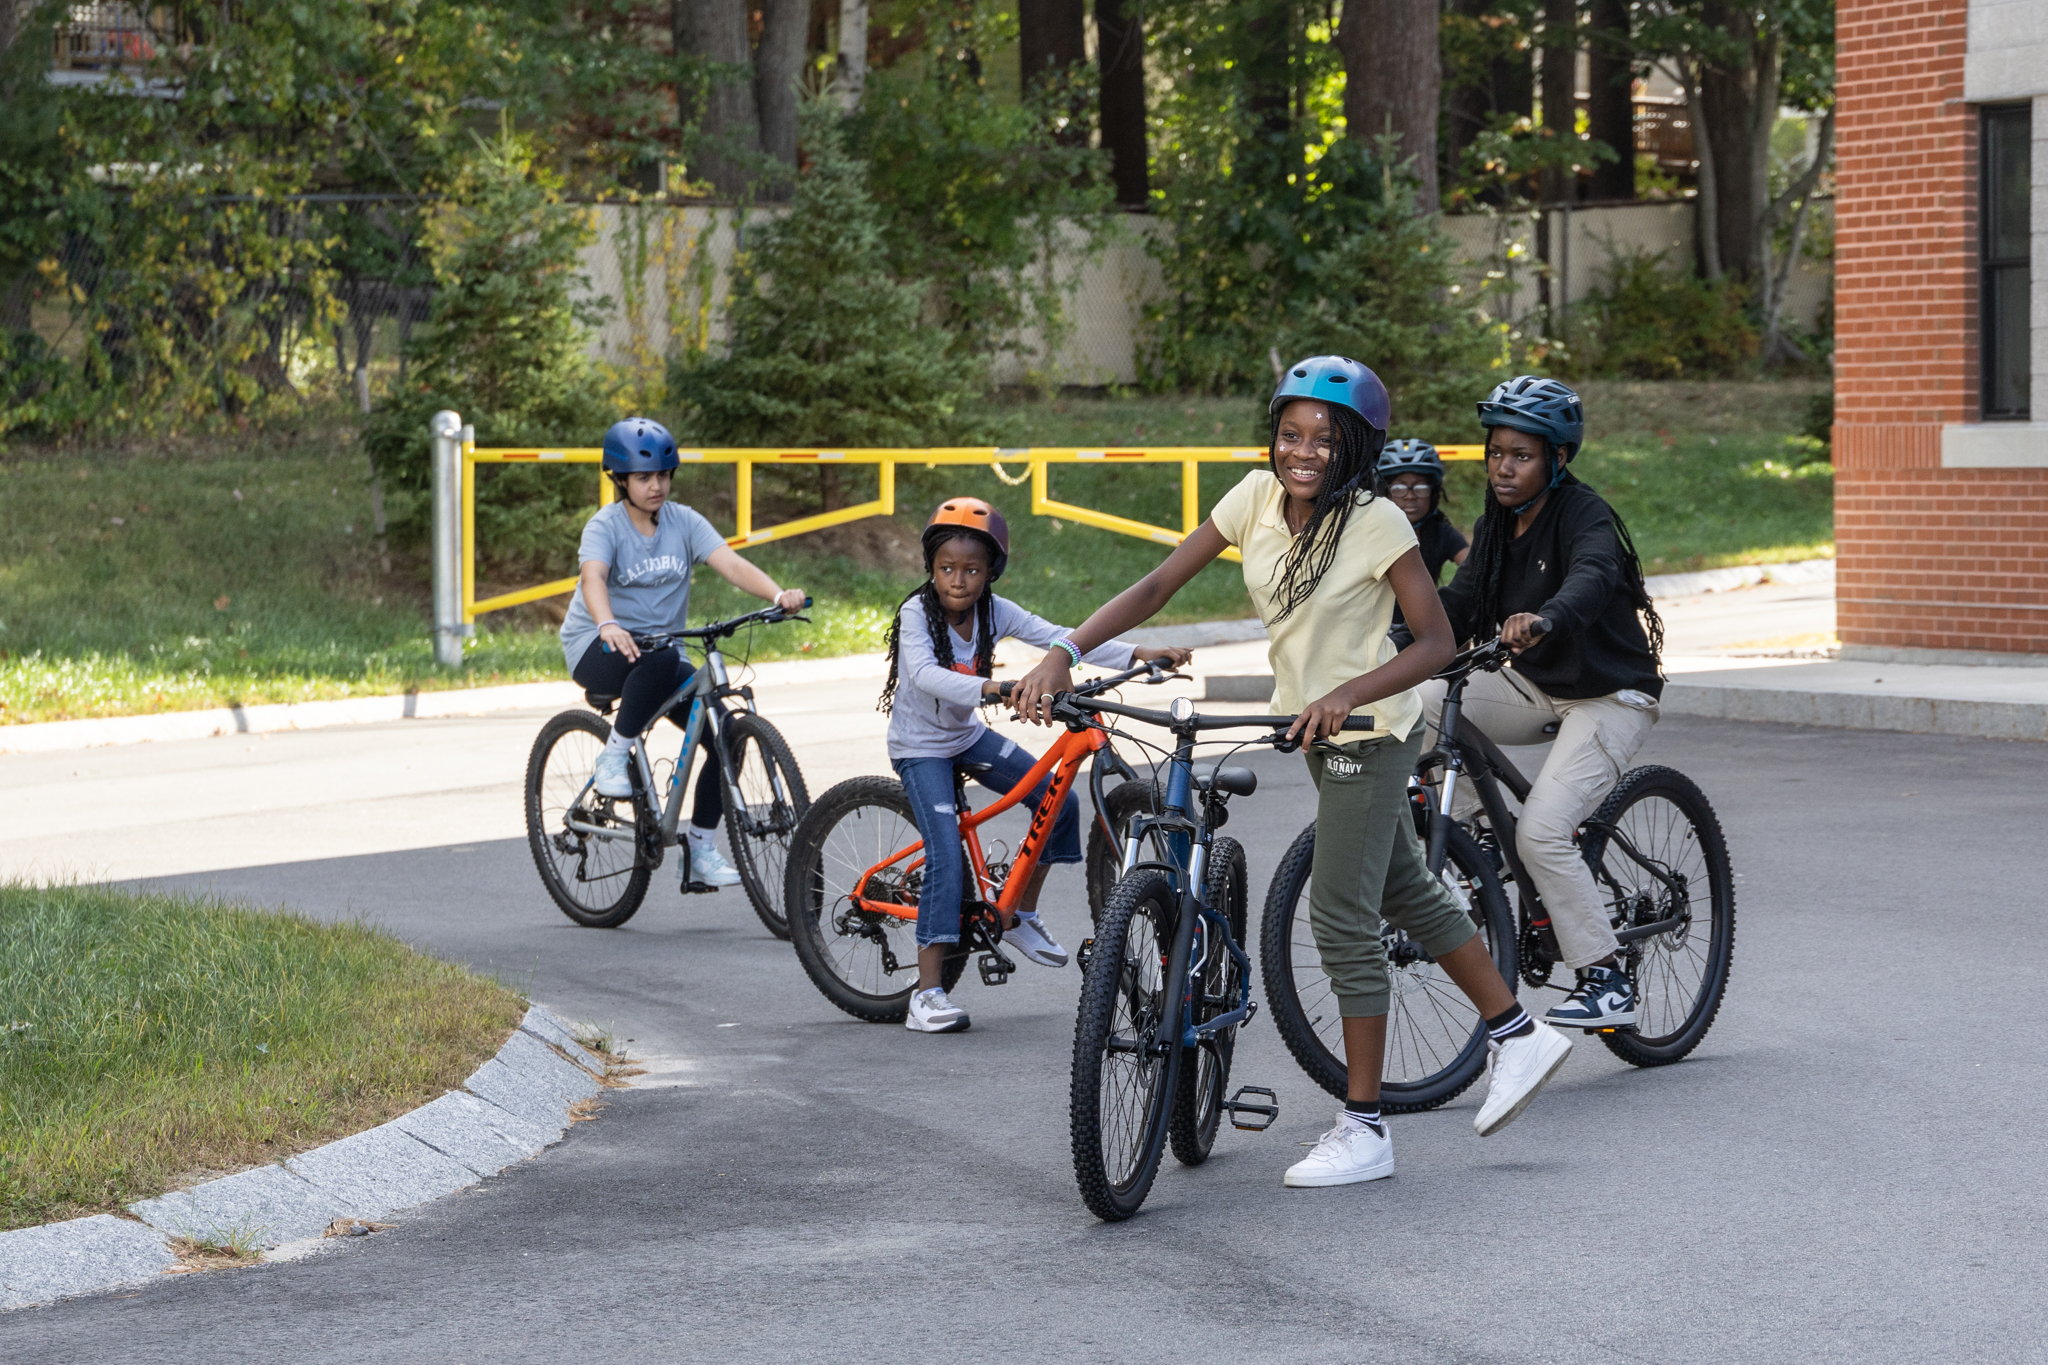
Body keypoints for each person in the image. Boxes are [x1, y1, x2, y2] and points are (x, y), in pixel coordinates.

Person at [1011, 356, 1572, 1187]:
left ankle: (1366, 1125)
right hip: (1309, 724)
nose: (1303, 450)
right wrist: (1064, 649)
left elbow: (1435, 644)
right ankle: (1519, 1034)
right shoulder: (1252, 500)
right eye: (1290, 432)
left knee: (1343, 917)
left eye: (1325, 438)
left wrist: (1348, 691)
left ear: (1358, 449)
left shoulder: (1379, 521)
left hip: (1369, 729)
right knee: (1401, 887)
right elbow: (1161, 580)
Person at [881, 496, 1191, 1035]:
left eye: (972, 570)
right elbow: (926, 676)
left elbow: (1060, 639)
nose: (958, 580)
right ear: (931, 569)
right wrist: (1000, 687)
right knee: (947, 854)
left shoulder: (994, 611)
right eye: (946, 569)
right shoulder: (915, 613)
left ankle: (1020, 913)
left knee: (1059, 801)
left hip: (966, 735)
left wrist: (1138, 651)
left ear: (990, 572)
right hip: (920, 746)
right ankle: (926, 994)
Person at [1425, 375, 1666, 1030]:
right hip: (1535, 684)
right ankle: (1481, 843)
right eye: (1496, 451)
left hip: (1609, 694)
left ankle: (1606, 977)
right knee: (1420, 699)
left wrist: (1547, 617)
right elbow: (1459, 602)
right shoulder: (1495, 526)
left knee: (1543, 830)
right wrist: (1396, 635)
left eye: (1521, 455)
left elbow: (1592, 576)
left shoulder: (1584, 515)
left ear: (1557, 460)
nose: (1504, 465)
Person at [559, 417, 806, 891]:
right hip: (599, 646)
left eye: (664, 476)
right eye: (645, 478)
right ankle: (614, 757)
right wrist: (607, 622)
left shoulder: (684, 522)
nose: (657, 486)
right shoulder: (605, 526)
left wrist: (777, 596)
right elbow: (593, 577)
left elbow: (730, 563)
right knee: (654, 656)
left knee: (727, 733)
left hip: (658, 653)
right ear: (621, 481)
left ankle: (699, 848)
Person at [1376, 439, 1469, 584]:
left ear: (1433, 493)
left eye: (1421, 488)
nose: (1410, 496)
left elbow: (1475, 570)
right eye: (1399, 488)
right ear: (1384, 493)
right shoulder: (1370, 534)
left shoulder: (1441, 532)